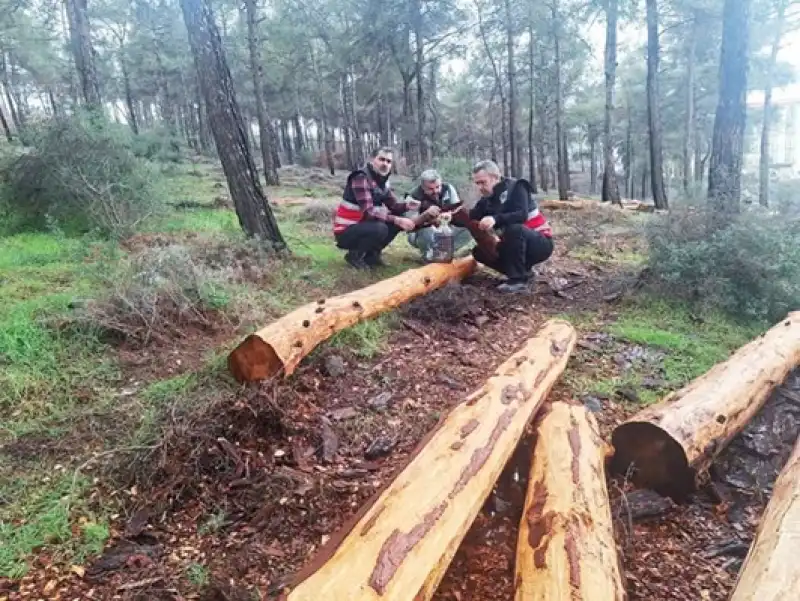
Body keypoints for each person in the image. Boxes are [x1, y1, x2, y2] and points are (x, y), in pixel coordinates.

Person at [468, 160, 554, 293]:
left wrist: (495, 219)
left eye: (483, 182)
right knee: (480, 252)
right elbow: (471, 216)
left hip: (540, 242)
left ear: (495, 177)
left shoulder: (517, 186)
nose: (480, 187)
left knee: (514, 229)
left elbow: (522, 215)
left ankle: (518, 281)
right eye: (477, 183)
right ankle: (524, 273)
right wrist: (450, 215)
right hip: (515, 245)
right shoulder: (487, 200)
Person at [333, 147, 418, 269]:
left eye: (389, 161)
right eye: (381, 159)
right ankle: (354, 256)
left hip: (362, 226)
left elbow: (393, 206)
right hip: (345, 231)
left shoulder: (381, 181)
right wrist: (396, 219)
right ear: (372, 159)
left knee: (396, 220)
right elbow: (369, 212)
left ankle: (372, 257)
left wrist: (407, 206)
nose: (385, 164)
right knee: (381, 228)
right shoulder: (361, 177)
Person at [404, 169, 472, 260]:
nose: (436, 191)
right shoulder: (413, 196)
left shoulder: (448, 188)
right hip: (422, 233)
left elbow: (458, 210)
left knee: (470, 226)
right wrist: (425, 215)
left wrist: (449, 215)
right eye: (431, 189)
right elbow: (409, 224)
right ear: (422, 187)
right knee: (427, 231)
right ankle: (428, 255)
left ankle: (445, 252)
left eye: (438, 187)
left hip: (446, 229)